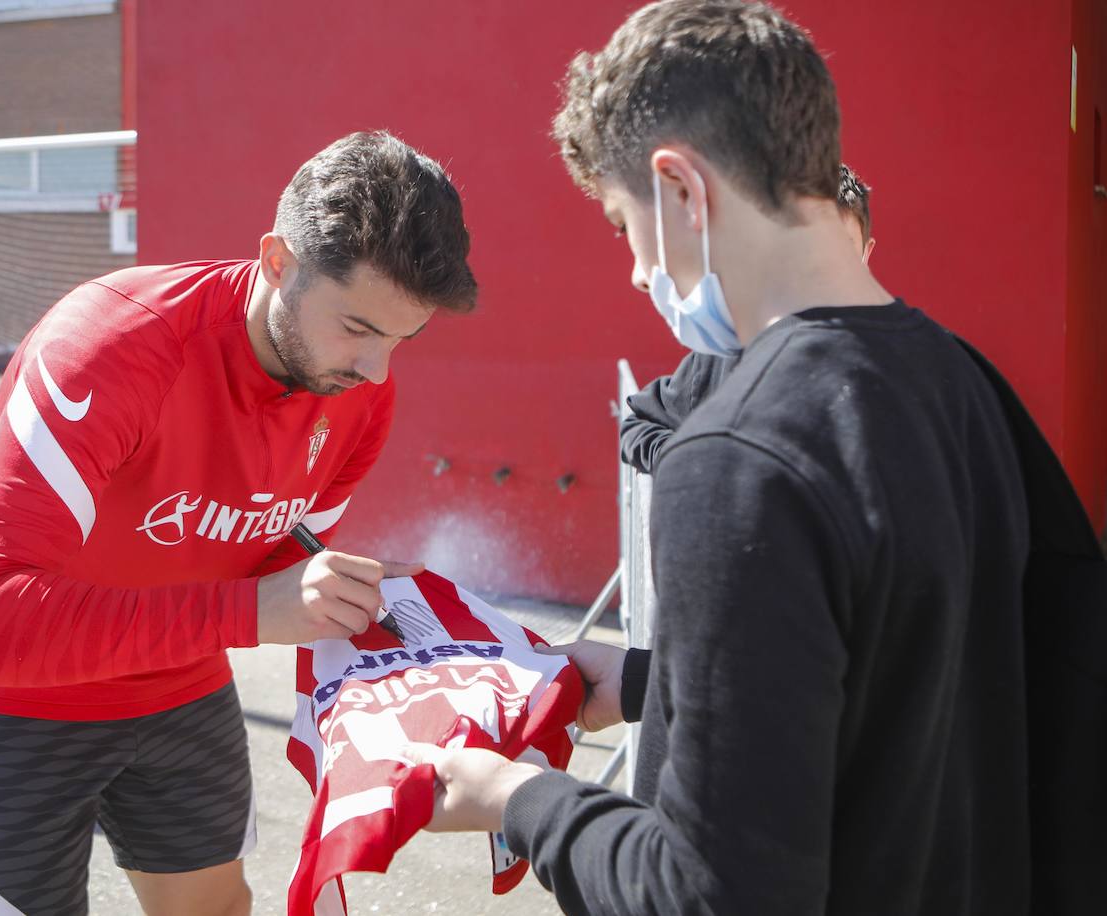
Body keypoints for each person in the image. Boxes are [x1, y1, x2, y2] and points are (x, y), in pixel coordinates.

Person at [403, 2, 1033, 914]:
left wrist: (519, 801)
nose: (632, 273)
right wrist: (652, 683)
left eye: (624, 226)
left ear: (682, 190)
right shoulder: (965, 383)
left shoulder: (735, 456)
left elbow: (711, 893)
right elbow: (903, 687)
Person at [0, 131, 478, 916]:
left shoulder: (357, 388)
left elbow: (275, 563)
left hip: (178, 678)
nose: (377, 370)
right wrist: (255, 611)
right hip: (16, 694)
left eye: (402, 338)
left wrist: (376, 623)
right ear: (278, 262)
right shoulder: (107, 349)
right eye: (356, 327)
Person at [619, 163, 874, 474]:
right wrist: (687, 462)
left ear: (866, 253)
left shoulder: (895, 358)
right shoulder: (735, 344)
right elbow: (641, 422)